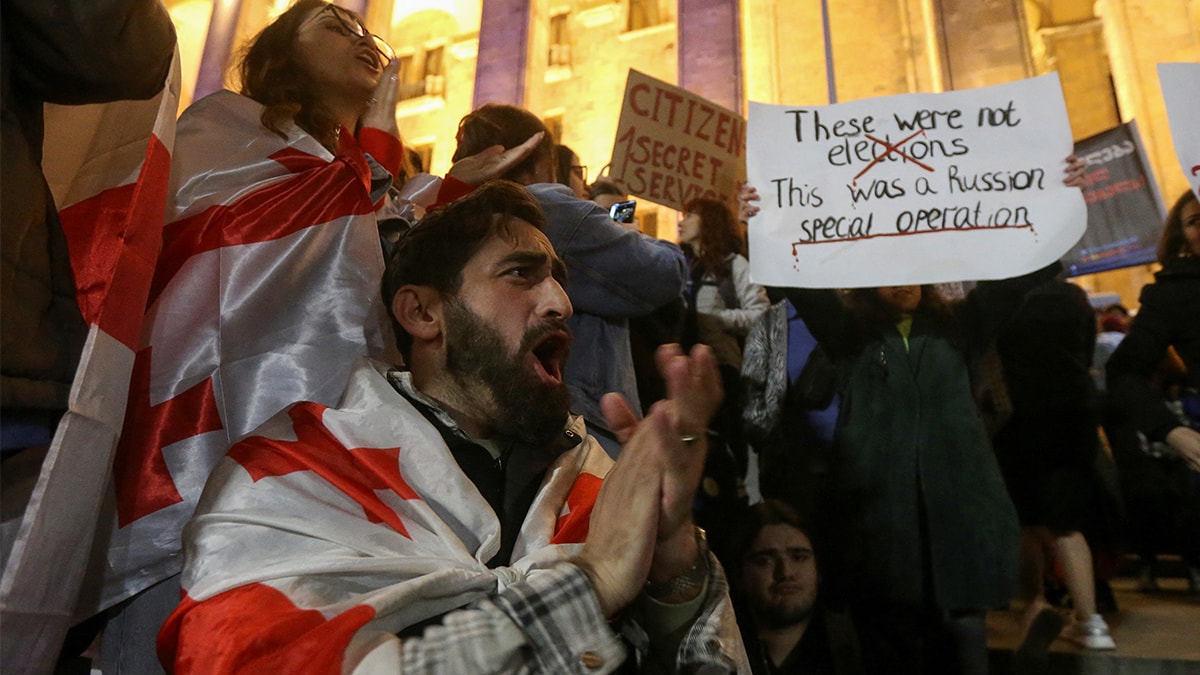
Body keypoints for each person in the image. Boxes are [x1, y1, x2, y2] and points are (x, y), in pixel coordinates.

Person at [98, 3, 538, 670]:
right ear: (281, 53)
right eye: (336, 24)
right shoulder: (218, 130)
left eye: (366, 29)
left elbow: (370, 261)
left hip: (326, 472)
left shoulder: (360, 176)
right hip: (201, 450)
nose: (364, 37)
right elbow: (222, 244)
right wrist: (380, 187)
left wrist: (440, 195)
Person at [157, 181, 748, 673]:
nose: (561, 303)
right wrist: (588, 587)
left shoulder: (598, 476)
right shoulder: (287, 478)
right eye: (521, 274)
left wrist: (673, 564)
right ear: (422, 313)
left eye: (559, 278)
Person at [453, 104, 687, 457]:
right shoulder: (547, 207)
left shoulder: (452, 216)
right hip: (578, 426)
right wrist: (628, 234)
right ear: (538, 155)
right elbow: (663, 274)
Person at [983, 276, 1119, 649]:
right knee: (1067, 523)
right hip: (1076, 411)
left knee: (1025, 519)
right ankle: (1091, 624)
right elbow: (1087, 351)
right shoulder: (1071, 295)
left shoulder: (996, 293)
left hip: (1020, 415)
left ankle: (1035, 603)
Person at [1107, 190, 1200, 473]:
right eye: (1195, 220)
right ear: (1182, 236)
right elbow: (1122, 372)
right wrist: (1172, 431)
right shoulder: (1172, 294)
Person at [731, 500, 863, 675]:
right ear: (738, 575)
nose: (785, 572)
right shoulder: (711, 653)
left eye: (799, 557)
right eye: (764, 560)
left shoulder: (865, 650)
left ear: (818, 569)